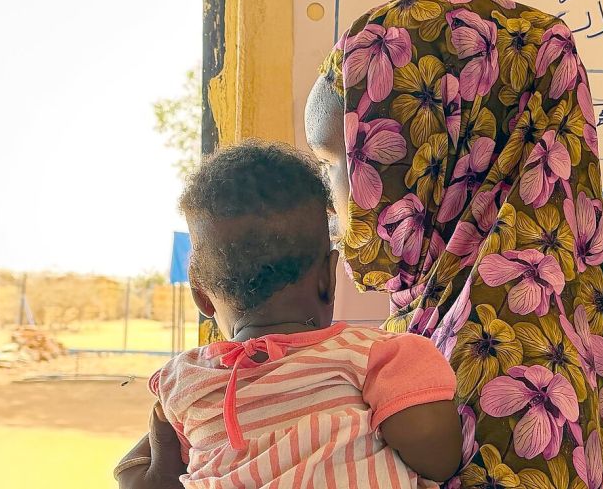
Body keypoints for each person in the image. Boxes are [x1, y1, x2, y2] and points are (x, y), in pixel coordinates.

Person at [119, 0, 603, 488]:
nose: (333, 200)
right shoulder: (437, 308)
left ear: (425, 153)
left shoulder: (514, 353)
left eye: (338, 163)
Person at [115, 141, 462, 488]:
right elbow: (438, 458)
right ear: (328, 278)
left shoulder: (185, 380)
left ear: (202, 296)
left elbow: (138, 481)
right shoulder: (376, 356)